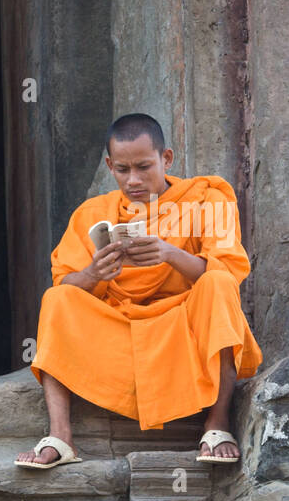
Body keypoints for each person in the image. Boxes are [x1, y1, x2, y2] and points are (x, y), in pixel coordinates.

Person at [15, 113, 263, 468]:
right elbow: (66, 282)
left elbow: (230, 270)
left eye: (144, 167)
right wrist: (93, 274)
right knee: (56, 298)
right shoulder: (92, 213)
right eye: (122, 169)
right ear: (109, 165)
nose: (133, 180)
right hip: (118, 326)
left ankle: (217, 423)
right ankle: (61, 436)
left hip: (182, 323)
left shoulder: (209, 198)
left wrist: (171, 254)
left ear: (167, 159)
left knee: (218, 283)